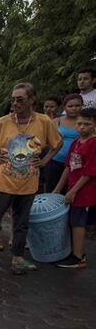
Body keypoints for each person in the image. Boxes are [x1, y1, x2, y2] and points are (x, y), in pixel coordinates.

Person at [0, 82, 62, 273]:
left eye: (20, 99)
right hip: (3, 181)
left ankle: (17, 258)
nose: (15, 103)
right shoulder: (3, 122)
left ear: (32, 100)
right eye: (13, 99)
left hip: (29, 183)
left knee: (21, 224)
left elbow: (57, 144)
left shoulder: (44, 121)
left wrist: (45, 161)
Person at [52, 107, 96, 268]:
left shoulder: (93, 144)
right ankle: (73, 252)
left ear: (94, 125)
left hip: (85, 191)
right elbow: (68, 167)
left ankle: (78, 257)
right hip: (72, 187)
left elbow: (89, 173)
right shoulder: (76, 142)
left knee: (78, 223)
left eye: (86, 124)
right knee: (72, 221)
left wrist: (73, 191)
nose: (82, 127)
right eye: (79, 124)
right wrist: (58, 189)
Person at [43, 93, 82, 192]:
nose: (74, 108)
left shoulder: (86, 122)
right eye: (70, 106)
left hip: (76, 164)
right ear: (64, 107)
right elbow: (46, 141)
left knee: (71, 191)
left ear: (82, 106)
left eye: (77, 106)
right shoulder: (56, 121)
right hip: (55, 161)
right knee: (51, 190)